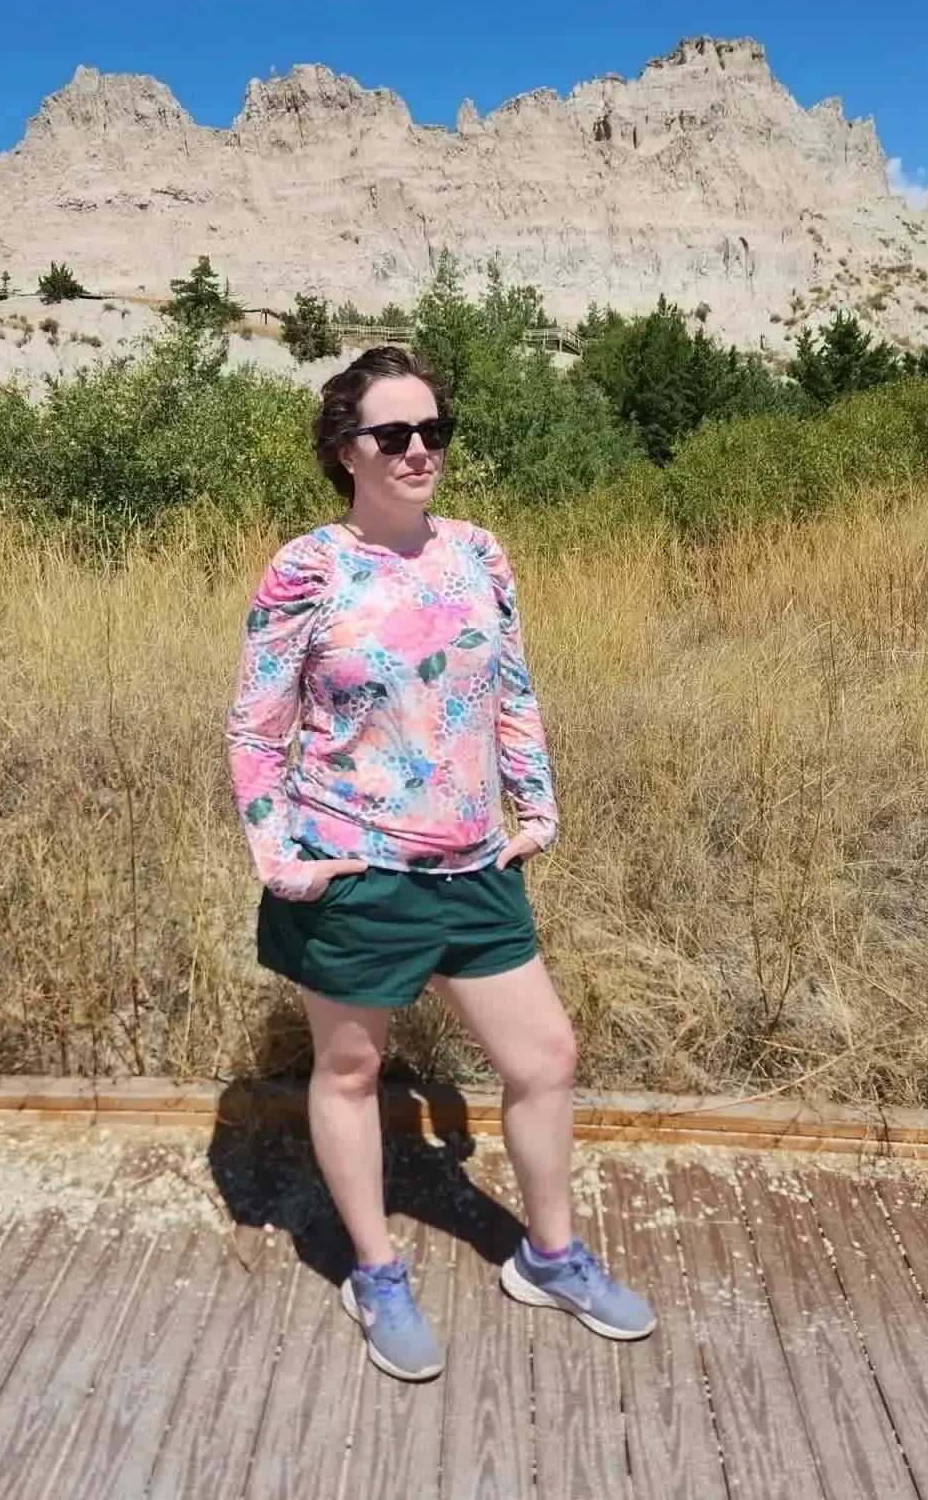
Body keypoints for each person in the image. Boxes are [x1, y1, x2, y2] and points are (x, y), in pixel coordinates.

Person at [226, 344, 655, 1381]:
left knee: (543, 1056)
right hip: (355, 866)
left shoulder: (479, 553)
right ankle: (374, 1272)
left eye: (433, 432)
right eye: (393, 435)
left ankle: (549, 1255)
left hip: (472, 864)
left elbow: (512, 688)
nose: (419, 451)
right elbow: (254, 725)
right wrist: (281, 855)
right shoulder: (310, 567)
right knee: (350, 1066)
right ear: (345, 451)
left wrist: (537, 804)